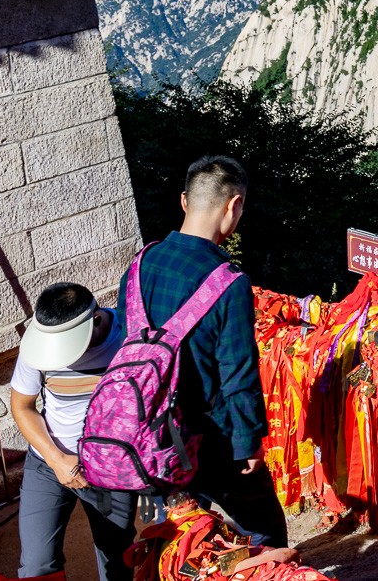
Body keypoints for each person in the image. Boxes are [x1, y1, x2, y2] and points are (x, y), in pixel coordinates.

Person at [116, 154, 286, 547]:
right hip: (212, 438)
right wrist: (248, 443)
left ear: (184, 201)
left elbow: (126, 343)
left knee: (185, 538)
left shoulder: (141, 264)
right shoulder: (228, 282)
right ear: (234, 206)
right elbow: (237, 372)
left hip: (151, 434)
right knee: (265, 532)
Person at [10, 282, 136, 581]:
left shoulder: (129, 337)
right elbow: (22, 406)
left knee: (117, 559)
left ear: (95, 320)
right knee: (37, 566)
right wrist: (56, 460)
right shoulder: (37, 345)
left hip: (111, 471)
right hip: (48, 463)